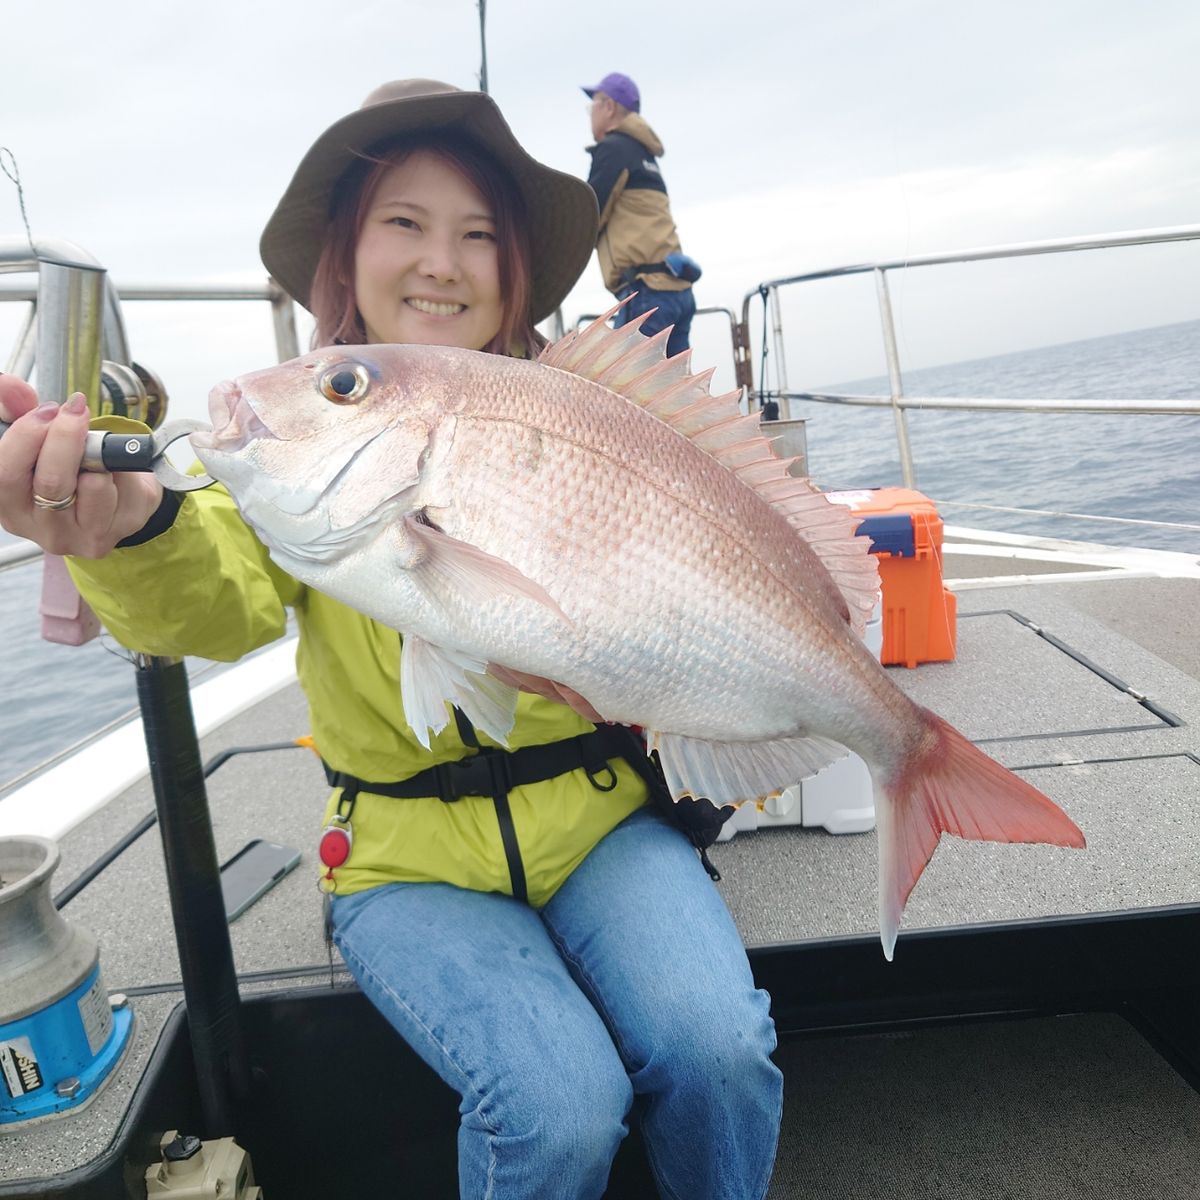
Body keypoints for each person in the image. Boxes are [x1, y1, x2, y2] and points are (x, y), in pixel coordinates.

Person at [0, 80, 782, 1199]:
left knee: (722, 1052)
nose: (441, 261)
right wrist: (134, 527)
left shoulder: (579, 409)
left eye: (478, 234)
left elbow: (678, 559)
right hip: (406, 861)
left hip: (602, 818)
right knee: (557, 1109)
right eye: (403, 225)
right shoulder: (318, 434)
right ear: (344, 258)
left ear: (516, 269)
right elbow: (217, 586)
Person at [582, 72, 698, 358]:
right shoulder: (644, 154)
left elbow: (588, 216)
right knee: (671, 396)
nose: (590, 114)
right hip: (677, 291)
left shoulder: (613, 150)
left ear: (608, 106)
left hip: (647, 293)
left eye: (592, 105)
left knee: (622, 390)